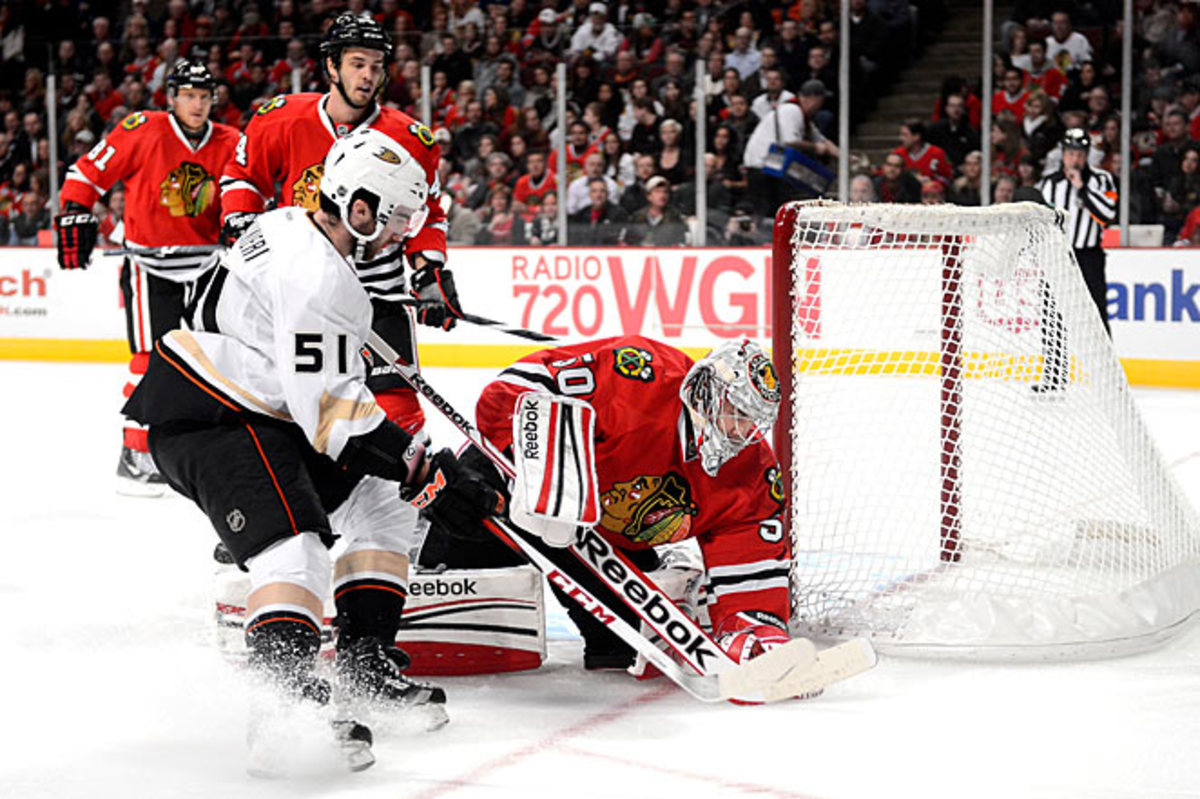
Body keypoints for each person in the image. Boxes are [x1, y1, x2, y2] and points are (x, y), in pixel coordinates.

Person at [122, 129, 456, 775]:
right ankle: (281, 716)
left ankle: (362, 668)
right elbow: (339, 423)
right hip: (211, 415)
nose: (400, 235)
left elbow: (301, 335)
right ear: (357, 207)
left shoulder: (289, 222)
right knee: (294, 544)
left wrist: (376, 306)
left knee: (383, 498)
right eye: (393, 220)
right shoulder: (319, 278)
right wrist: (422, 465)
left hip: (260, 408)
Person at [418, 336, 792, 678]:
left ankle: (671, 574)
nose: (742, 432)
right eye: (736, 413)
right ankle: (412, 555)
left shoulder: (752, 471)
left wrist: (754, 625)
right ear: (705, 390)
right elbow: (518, 386)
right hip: (511, 487)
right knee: (447, 622)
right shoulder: (637, 375)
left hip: (595, 538)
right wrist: (550, 474)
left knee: (623, 650)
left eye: (752, 420)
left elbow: (750, 555)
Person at [219, 13, 459, 454]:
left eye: (375, 65)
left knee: (399, 410)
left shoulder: (412, 139)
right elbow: (242, 177)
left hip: (378, 292)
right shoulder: (281, 119)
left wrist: (430, 273)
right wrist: (240, 221)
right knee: (300, 408)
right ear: (331, 67)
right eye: (356, 63)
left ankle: (409, 508)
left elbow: (429, 214)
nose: (367, 76)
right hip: (304, 294)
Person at [54, 61, 241, 495]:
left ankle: (200, 444)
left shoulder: (231, 140)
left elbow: (252, 187)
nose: (197, 104)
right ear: (171, 97)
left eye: (204, 95)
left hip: (209, 266)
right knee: (148, 360)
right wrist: (76, 207)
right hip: (147, 266)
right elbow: (86, 172)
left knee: (212, 358)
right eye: (188, 95)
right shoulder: (142, 129)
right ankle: (136, 455)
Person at [1036, 128, 1118, 392]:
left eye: (1080, 154)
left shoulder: (1103, 180)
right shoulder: (1049, 183)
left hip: (1088, 254)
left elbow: (1107, 215)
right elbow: (1041, 219)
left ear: (1087, 155)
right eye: (1071, 153)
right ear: (1063, 154)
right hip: (1057, 254)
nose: (1075, 159)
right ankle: (1054, 374)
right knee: (1052, 315)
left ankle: (1108, 376)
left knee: (1096, 314)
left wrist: (1081, 188)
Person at [626, 175, 687, 246]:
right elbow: (628, 241)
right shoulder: (637, 217)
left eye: (665, 192)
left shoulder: (675, 217)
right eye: (657, 192)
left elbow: (682, 241)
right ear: (649, 196)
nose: (662, 195)